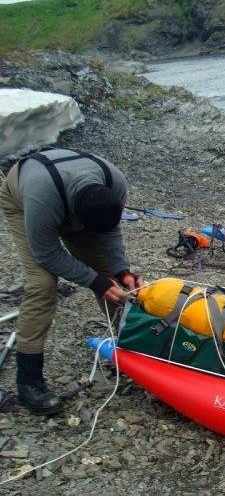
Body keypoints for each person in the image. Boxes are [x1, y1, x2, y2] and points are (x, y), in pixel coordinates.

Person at [0, 148, 143, 415]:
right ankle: (28, 381)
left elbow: (109, 233)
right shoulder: (41, 196)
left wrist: (121, 270)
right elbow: (47, 253)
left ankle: (130, 347)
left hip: (71, 199)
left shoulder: (115, 183)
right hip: (25, 200)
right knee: (42, 285)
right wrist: (95, 282)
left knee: (109, 275)